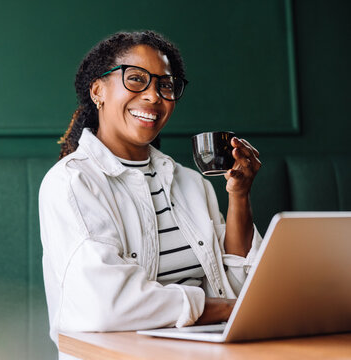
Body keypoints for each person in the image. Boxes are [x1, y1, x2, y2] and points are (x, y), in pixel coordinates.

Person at [38, 30, 262, 354]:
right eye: (137, 79)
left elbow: (234, 286)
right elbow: (108, 304)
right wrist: (226, 310)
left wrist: (239, 195)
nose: (154, 96)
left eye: (165, 85)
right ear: (98, 91)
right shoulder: (72, 183)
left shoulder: (190, 184)